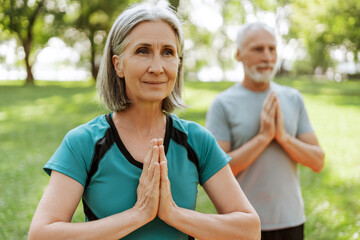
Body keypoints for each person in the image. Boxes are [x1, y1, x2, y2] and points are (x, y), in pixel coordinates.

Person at [28, 3, 261, 240]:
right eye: (143, 51)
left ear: (178, 63)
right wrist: (139, 213)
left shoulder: (197, 141)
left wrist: (172, 213)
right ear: (118, 64)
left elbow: (250, 230)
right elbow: (41, 234)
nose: (157, 67)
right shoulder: (84, 143)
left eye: (168, 52)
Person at [206, 22, 325, 240]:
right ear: (238, 54)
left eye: (272, 49)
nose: (267, 57)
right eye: (258, 49)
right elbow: (216, 172)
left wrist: (283, 138)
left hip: (291, 220)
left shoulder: (292, 98)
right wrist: (263, 138)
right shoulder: (223, 103)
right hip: (241, 223)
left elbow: (317, 161)